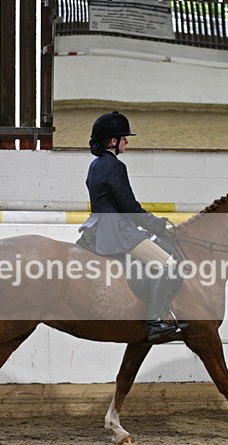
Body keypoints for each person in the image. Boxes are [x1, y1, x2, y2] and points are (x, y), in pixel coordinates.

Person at [80, 111, 187, 341]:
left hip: (96, 227)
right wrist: (157, 225)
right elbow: (130, 207)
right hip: (117, 232)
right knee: (167, 263)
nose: (126, 142)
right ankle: (154, 321)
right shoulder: (116, 166)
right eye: (124, 138)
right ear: (113, 141)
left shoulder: (94, 165)